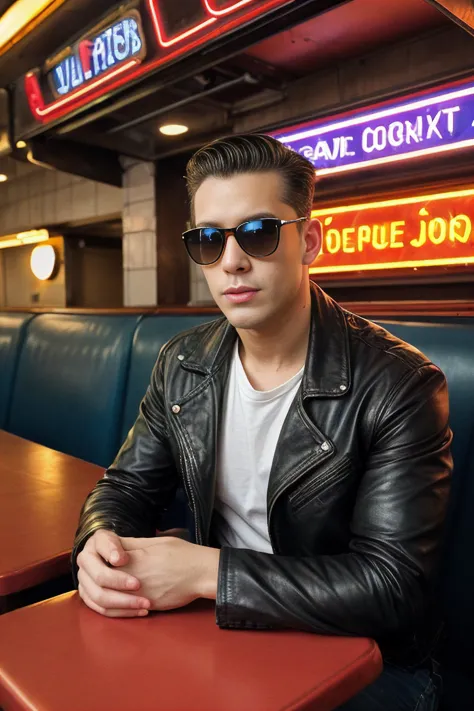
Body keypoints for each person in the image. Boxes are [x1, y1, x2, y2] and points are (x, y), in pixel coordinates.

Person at [73, 134, 452, 710]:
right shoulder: (183, 363)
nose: (231, 261)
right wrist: (98, 544)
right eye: (208, 239)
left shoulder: (398, 384)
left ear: (310, 241)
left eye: (258, 233)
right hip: (219, 634)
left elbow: (392, 587)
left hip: (364, 661)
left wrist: (208, 574)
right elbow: (125, 486)